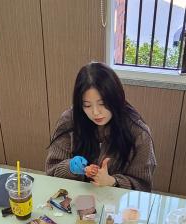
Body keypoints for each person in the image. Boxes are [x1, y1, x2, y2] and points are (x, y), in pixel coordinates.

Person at [46, 62, 157, 191]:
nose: (95, 112)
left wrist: (113, 182)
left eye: (103, 103)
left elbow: (143, 186)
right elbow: (51, 171)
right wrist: (70, 168)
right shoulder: (70, 120)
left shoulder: (138, 132)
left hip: (115, 201)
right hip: (75, 197)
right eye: (87, 105)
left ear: (116, 98)